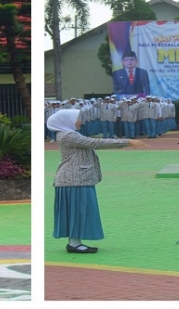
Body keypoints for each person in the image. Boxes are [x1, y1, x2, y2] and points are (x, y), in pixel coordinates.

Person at [48, 108, 146, 253]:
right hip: (73, 179)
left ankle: (75, 242)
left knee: (79, 211)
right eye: (77, 118)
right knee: (77, 211)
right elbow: (95, 142)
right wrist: (127, 141)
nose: (80, 121)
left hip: (78, 179)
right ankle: (74, 244)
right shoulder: (68, 135)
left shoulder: (68, 134)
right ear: (66, 121)